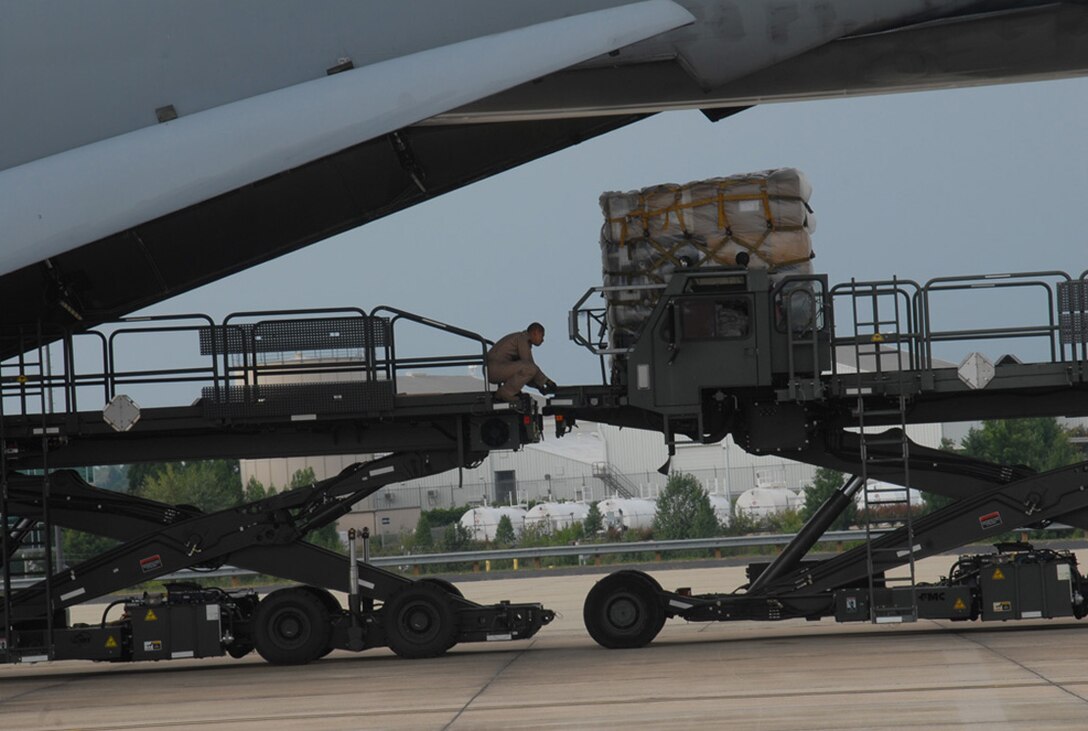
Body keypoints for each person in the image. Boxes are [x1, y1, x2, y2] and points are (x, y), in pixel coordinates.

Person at [486, 322, 557, 403]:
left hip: (495, 368)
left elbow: (526, 374)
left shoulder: (521, 339)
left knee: (528, 369)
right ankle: (505, 393)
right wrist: (546, 381)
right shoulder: (522, 338)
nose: (543, 340)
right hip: (495, 368)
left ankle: (507, 392)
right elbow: (529, 365)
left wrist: (539, 386)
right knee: (530, 368)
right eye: (542, 335)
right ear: (535, 333)